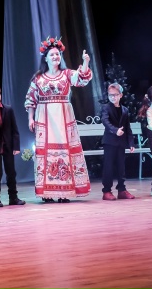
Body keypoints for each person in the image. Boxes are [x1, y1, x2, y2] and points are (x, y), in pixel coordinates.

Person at [24, 36, 92, 203]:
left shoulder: (66, 74)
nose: (55, 57)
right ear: (46, 58)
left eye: (57, 54)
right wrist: (30, 118)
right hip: (44, 117)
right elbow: (30, 99)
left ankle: (64, 192)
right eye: (52, 54)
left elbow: (82, 79)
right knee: (45, 152)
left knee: (64, 149)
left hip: (63, 117)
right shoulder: (38, 78)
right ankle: (47, 193)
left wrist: (85, 62)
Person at [100, 83, 136, 200]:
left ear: (121, 95)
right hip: (110, 142)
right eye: (110, 95)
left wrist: (131, 143)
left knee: (121, 167)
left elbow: (128, 128)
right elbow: (105, 121)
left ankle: (122, 189)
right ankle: (106, 191)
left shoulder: (124, 110)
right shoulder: (106, 108)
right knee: (108, 166)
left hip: (121, 143)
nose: (112, 97)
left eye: (115, 95)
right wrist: (115, 130)